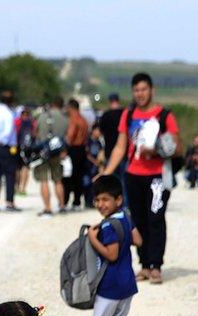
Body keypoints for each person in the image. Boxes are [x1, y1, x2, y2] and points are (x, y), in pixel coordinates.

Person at [101, 73, 181, 285]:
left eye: (144, 89)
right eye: (136, 90)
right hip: (133, 175)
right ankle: (144, 264)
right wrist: (107, 171)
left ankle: (156, 265)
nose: (140, 94)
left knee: (155, 219)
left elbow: (176, 147)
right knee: (137, 221)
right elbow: (121, 146)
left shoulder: (164, 116)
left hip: (157, 177)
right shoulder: (127, 116)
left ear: (151, 90)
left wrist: (154, 150)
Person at [78, 175, 147, 316]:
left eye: (105, 200)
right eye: (97, 200)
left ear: (118, 199)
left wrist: (92, 238)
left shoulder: (107, 227)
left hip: (110, 286)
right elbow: (138, 240)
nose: (100, 204)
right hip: (127, 284)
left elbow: (112, 254)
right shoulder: (124, 216)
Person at [33, 98, 68, 217]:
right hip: (57, 152)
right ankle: (62, 205)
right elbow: (66, 136)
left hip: (43, 152)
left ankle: (48, 208)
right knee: (58, 180)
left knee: (44, 181)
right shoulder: (64, 118)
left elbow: (36, 132)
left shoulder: (42, 116)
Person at [96, 92, 127, 206]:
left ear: (110, 101)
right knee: (124, 182)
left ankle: (114, 205)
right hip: (124, 152)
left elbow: (100, 132)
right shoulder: (125, 113)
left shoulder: (106, 115)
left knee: (112, 183)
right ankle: (125, 204)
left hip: (110, 153)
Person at [64, 98, 89, 210]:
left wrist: (65, 146)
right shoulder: (84, 120)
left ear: (71, 108)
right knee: (79, 177)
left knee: (68, 176)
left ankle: (65, 200)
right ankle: (77, 201)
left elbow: (70, 136)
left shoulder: (73, 120)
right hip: (82, 149)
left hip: (73, 149)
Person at [16, 107, 36, 194]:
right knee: (26, 168)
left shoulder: (17, 121)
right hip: (29, 148)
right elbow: (35, 134)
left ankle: (17, 187)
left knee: (17, 168)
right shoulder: (32, 122)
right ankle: (23, 189)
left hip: (17, 146)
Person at [84, 123, 104, 207]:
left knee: (95, 184)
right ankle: (87, 201)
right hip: (88, 166)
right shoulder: (88, 140)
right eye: (98, 130)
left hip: (96, 167)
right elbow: (87, 153)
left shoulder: (99, 142)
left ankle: (93, 201)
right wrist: (94, 161)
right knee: (87, 184)